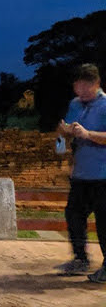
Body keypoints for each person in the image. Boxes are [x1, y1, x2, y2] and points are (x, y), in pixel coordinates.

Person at [54, 64, 106, 282]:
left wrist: (87, 133)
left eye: (85, 85)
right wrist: (64, 131)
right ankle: (80, 258)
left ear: (96, 83)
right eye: (77, 85)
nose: (81, 90)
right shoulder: (74, 104)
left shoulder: (105, 105)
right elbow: (66, 130)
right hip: (81, 174)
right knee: (73, 216)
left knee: (104, 223)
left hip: (103, 175)